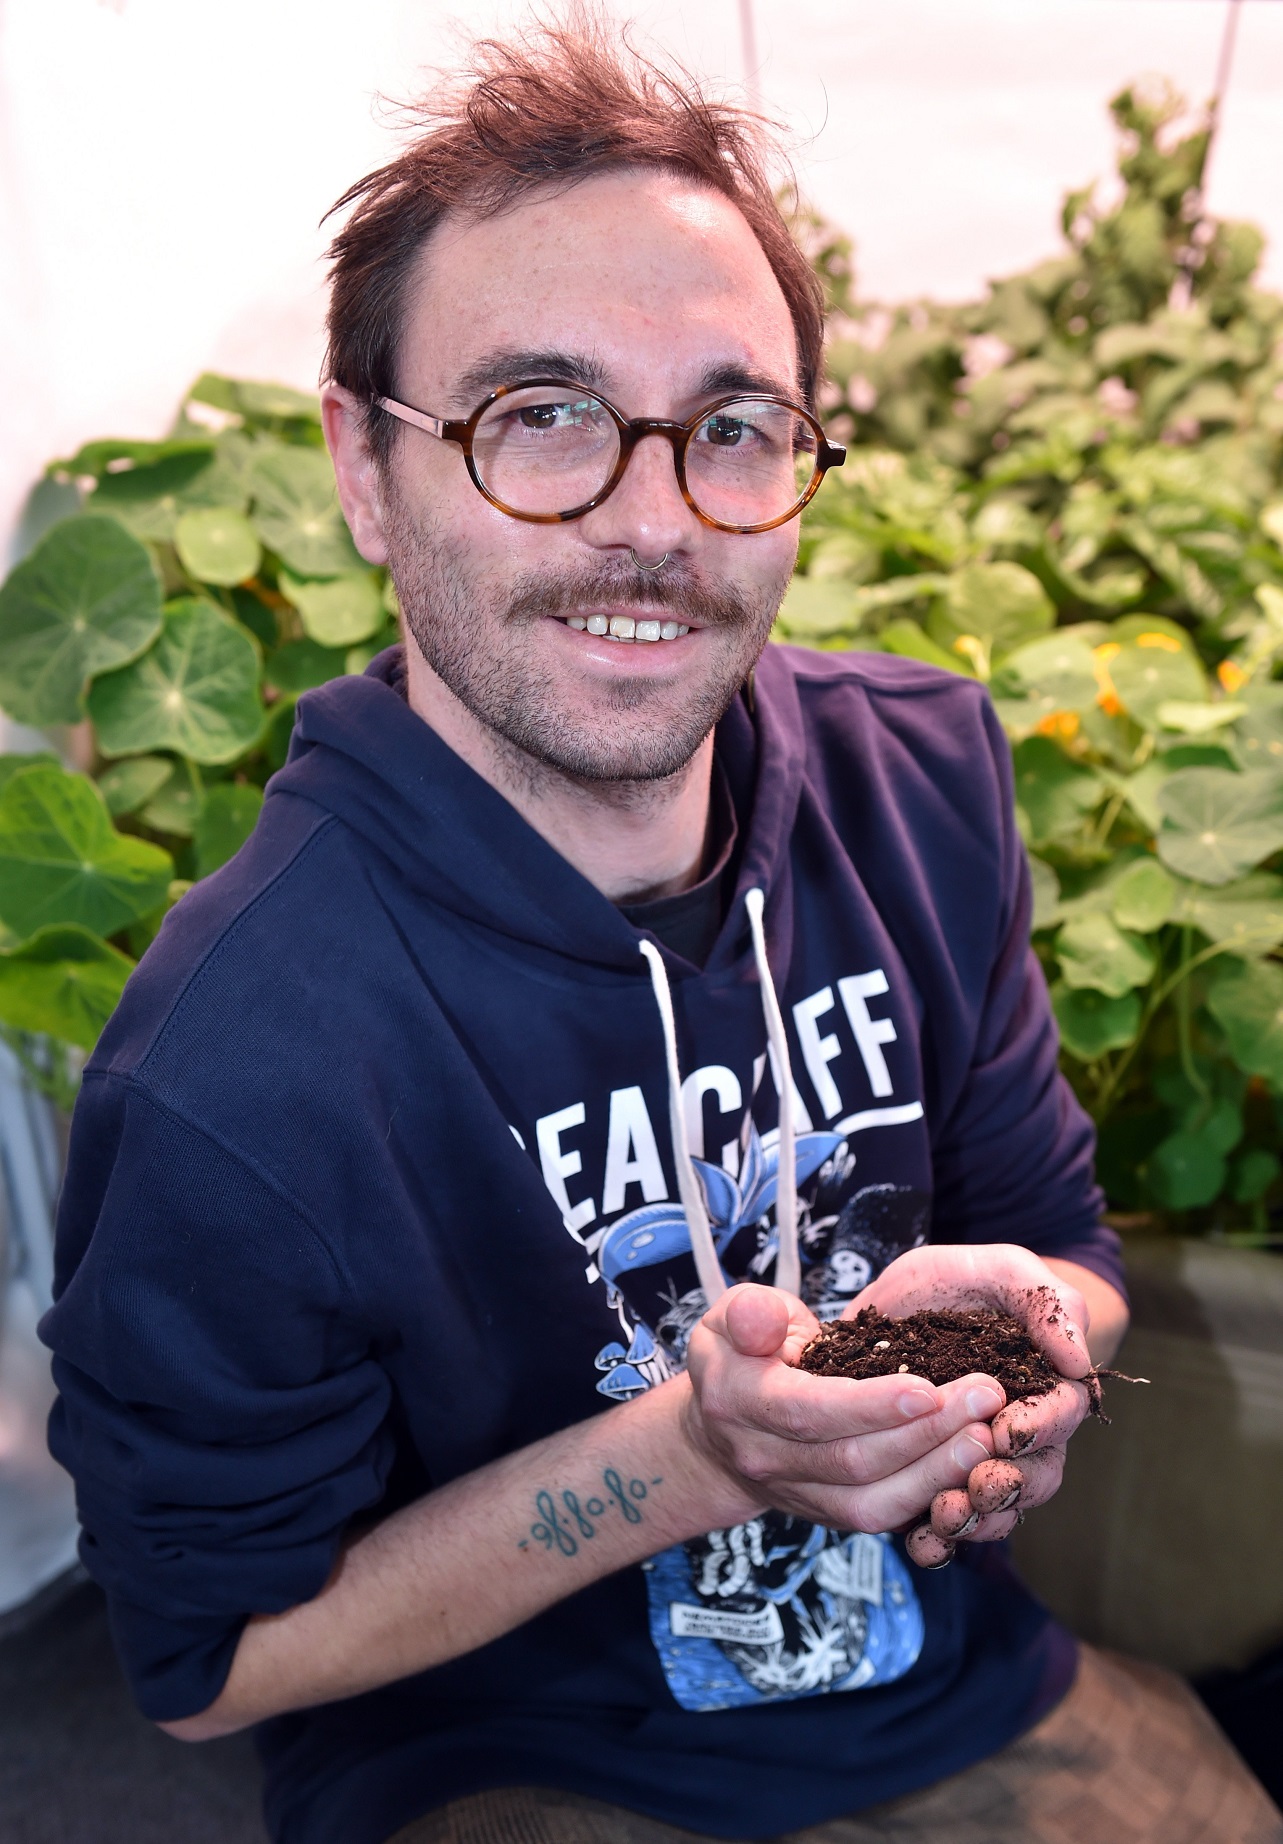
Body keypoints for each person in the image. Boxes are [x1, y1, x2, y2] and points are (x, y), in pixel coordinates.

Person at [41, 20, 1281, 1844]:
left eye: (730, 425)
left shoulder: (921, 778)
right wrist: (688, 1462)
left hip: (969, 1697)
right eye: (537, 414)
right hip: (514, 1762)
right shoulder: (240, 1058)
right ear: (367, 473)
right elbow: (214, 1657)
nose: (653, 520)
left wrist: (1025, 1340)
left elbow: (1063, 1244)